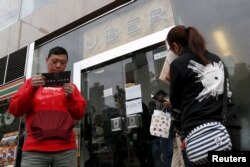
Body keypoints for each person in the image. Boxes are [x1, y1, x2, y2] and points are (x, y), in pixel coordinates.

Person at [166, 25, 240, 166]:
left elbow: (175, 104)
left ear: (175, 46)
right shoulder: (217, 59)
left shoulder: (178, 65)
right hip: (230, 132)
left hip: (203, 138)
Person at [8, 46, 87, 167]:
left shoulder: (71, 87)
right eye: (54, 61)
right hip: (34, 150)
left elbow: (79, 114)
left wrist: (70, 97)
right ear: (46, 60)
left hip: (65, 149)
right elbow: (15, 110)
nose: (59, 65)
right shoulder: (31, 83)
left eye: (63, 62)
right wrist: (31, 89)